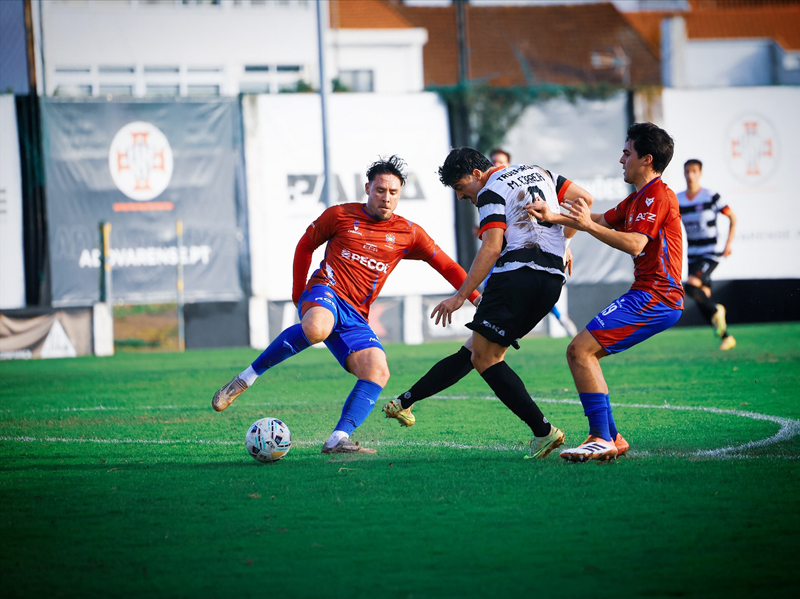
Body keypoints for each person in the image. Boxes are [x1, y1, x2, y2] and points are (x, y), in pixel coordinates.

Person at [212, 156, 480, 454]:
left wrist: (476, 299)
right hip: (325, 291)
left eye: (393, 192)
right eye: (380, 190)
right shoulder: (340, 215)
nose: (386, 198)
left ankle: (337, 439)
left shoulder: (408, 233)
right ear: (368, 188)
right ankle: (244, 379)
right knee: (317, 328)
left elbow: (447, 266)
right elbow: (305, 246)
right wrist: (298, 293)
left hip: (355, 315)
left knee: (378, 371)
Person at [383, 147, 594, 459]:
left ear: (476, 174)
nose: (460, 196)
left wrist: (460, 296)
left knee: (484, 357)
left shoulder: (490, 190)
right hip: (551, 281)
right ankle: (405, 402)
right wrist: (564, 242)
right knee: (476, 351)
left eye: (460, 187)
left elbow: (492, 248)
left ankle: (543, 431)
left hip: (516, 276)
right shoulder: (542, 172)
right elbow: (585, 200)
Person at [528, 122, 684, 462]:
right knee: (585, 353)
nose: (621, 160)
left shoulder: (658, 195)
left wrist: (585, 225)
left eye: (627, 153)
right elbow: (598, 219)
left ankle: (600, 438)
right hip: (650, 294)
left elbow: (635, 244)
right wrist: (553, 216)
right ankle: (612, 437)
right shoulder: (641, 197)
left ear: (646, 159)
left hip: (657, 296)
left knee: (579, 351)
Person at [489, 148, 579, 337]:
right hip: (513, 256)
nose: (497, 165)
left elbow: (582, 203)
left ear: (509, 164)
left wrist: (564, 244)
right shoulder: (498, 188)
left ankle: (560, 317)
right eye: (494, 162)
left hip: (525, 258)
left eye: (501, 162)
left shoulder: (509, 188)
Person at [678, 159, 737, 351]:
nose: (690, 175)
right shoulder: (678, 200)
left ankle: (717, 309)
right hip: (692, 255)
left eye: (694, 171)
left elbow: (732, 217)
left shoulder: (711, 196)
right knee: (702, 297)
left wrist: (728, 243)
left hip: (710, 253)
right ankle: (726, 337)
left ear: (700, 173)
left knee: (691, 286)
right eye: (687, 171)